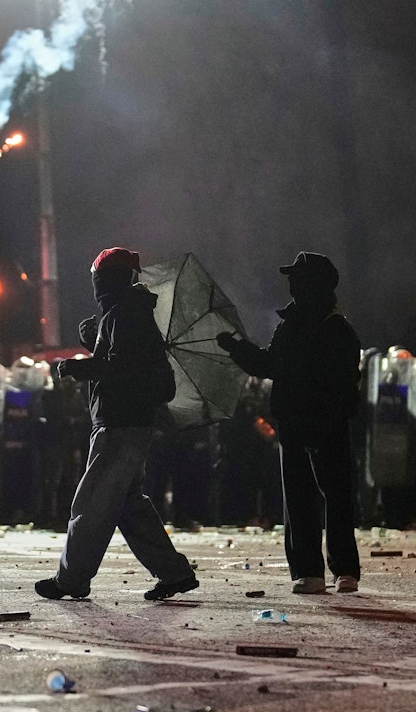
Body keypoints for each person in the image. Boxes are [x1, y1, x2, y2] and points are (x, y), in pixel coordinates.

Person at [37, 247, 198, 602]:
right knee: (129, 506)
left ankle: (72, 579)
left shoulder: (125, 313)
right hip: (128, 423)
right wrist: (93, 343)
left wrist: (80, 365)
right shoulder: (127, 313)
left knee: (91, 503)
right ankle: (174, 574)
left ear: (105, 280)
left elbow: (122, 368)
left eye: (97, 279)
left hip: (119, 425)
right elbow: (125, 361)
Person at [217, 251, 362, 594]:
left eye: (298, 277)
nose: (292, 283)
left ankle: (342, 570)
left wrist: (327, 414)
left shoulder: (335, 327)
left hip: (324, 425)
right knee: (301, 498)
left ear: (315, 283)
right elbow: (268, 364)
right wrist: (236, 348)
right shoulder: (291, 326)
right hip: (297, 424)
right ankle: (311, 571)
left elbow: (344, 382)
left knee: (335, 497)